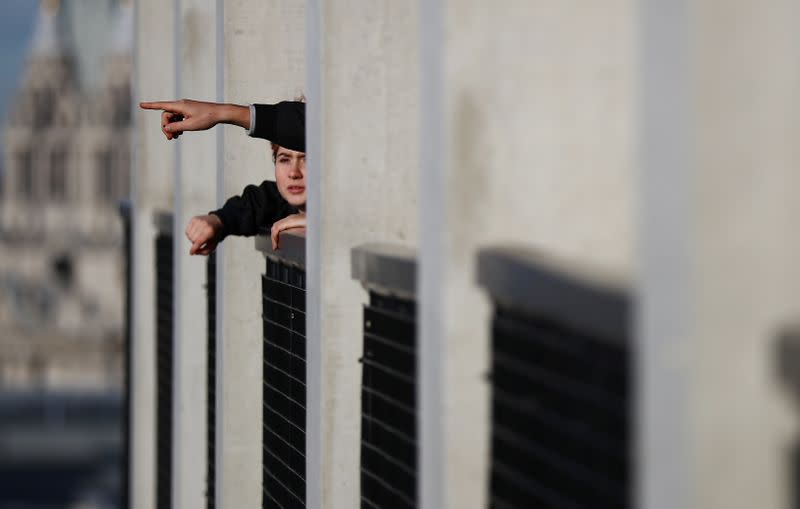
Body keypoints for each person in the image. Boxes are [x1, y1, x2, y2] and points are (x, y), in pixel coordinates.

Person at [139, 99, 306, 253]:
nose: (294, 173)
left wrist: (320, 223)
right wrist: (217, 221)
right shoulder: (275, 201)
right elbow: (254, 204)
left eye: (307, 160)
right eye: (284, 159)